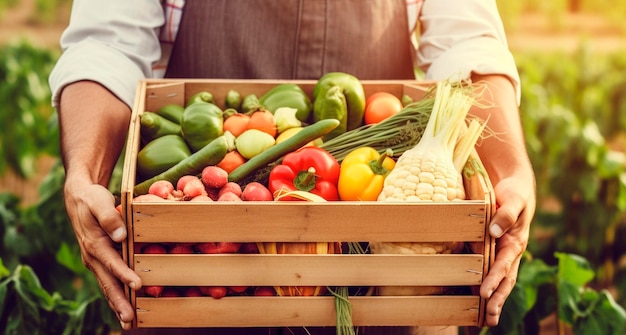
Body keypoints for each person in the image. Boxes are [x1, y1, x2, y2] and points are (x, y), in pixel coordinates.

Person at [49, 0, 536, 334]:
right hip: (204, 280)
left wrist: (512, 169)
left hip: (382, 288)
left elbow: (466, 43)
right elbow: (107, 45)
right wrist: (84, 175)